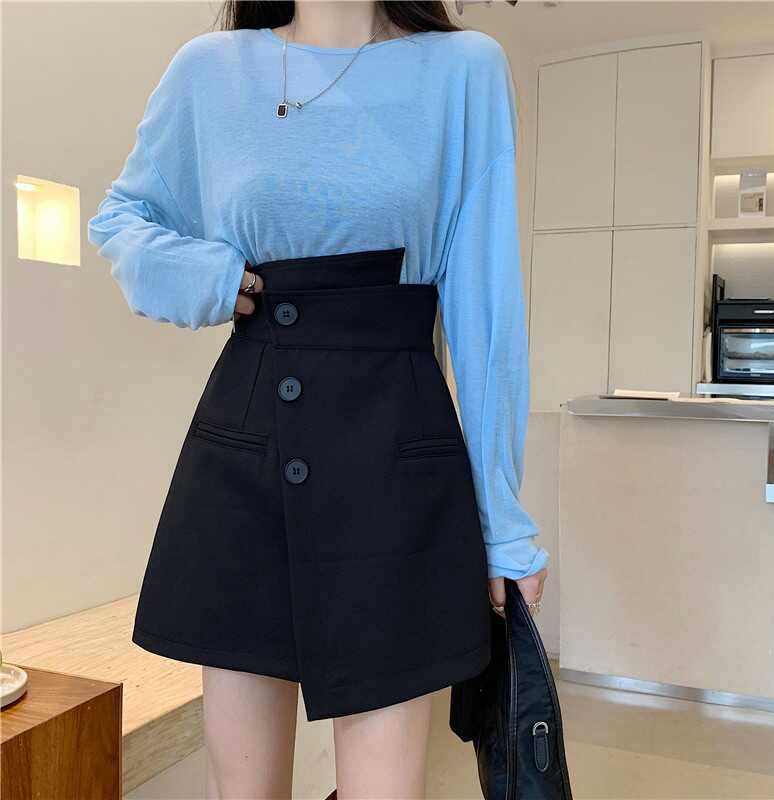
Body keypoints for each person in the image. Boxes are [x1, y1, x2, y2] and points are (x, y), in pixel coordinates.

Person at [87, 2, 549, 797]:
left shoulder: (464, 69)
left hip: (395, 455)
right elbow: (123, 218)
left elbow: (486, 307)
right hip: (246, 451)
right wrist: (207, 276)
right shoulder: (210, 70)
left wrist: (500, 521)